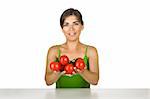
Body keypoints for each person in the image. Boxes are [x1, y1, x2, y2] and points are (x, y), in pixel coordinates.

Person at [45, 8, 99, 88]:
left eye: (75, 24)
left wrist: (82, 71)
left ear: (82, 26)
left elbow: (95, 81)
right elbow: (48, 81)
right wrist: (58, 72)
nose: (71, 28)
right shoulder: (54, 51)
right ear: (62, 29)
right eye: (66, 24)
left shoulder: (91, 51)